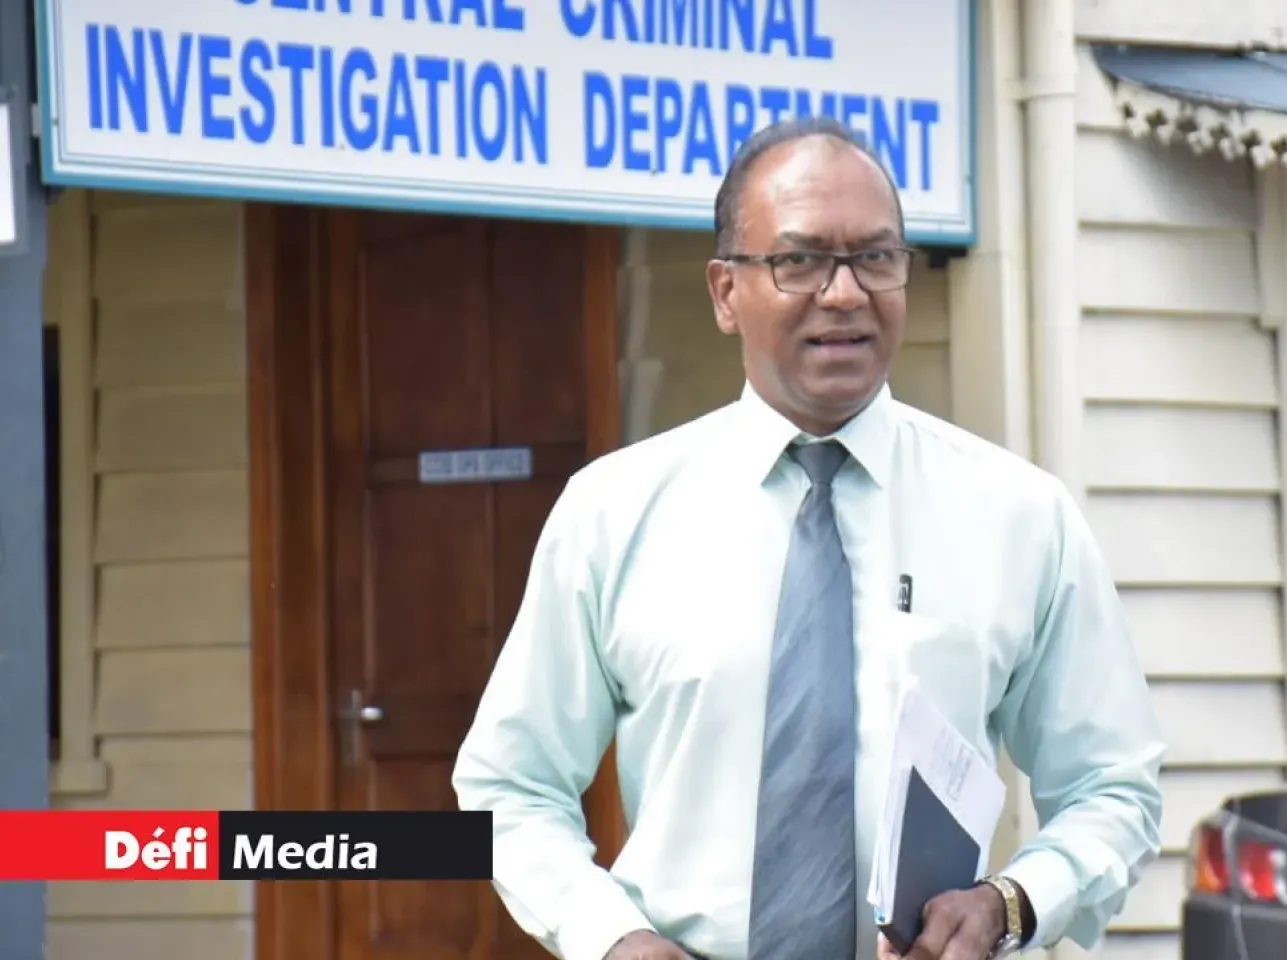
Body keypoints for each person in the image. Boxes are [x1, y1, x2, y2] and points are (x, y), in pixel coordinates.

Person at [452, 115, 1165, 960]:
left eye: (876, 257)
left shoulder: (1020, 517)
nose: (845, 292)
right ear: (725, 292)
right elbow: (508, 786)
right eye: (800, 261)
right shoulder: (613, 513)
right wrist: (612, 939)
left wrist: (1010, 904)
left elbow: (1113, 788)